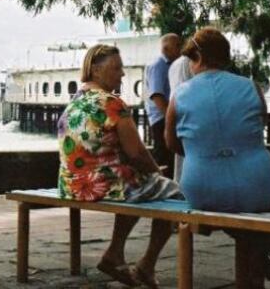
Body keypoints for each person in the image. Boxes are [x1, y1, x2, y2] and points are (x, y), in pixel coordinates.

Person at [165, 27, 270, 286]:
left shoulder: (179, 95)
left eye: (191, 60)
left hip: (201, 189)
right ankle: (259, 265)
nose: (191, 67)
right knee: (251, 206)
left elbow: (172, 143)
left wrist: (203, 153)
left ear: (198, 57)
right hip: (258, 186)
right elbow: (258, 128)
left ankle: (260, 261)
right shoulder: (251, 87)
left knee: (228, 204)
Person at [58, 44, 181, 289]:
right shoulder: (112, 103)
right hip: (103, 185)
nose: (122, 74)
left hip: (71, 184)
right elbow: (136, 153)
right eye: (116, 68)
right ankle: (146, 264)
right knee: (174, 193)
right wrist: (156, 171)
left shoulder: (74, 101)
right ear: (95, 70)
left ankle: (115, 253)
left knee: (137, 183)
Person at [142, 33, 182, 176]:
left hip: (165, 116)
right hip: (161, 118)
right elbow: (157, 95)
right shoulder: (158, 65)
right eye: (177, 45)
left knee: (171, 158)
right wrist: (171, 118)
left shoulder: (172, 66)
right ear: (166, 48)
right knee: (164, 157)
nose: (181, 49)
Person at [167, 45, 193, 182]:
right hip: (190, 116)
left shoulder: (175, 64)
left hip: (179, 118)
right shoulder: (187, 63)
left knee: (181, 168)